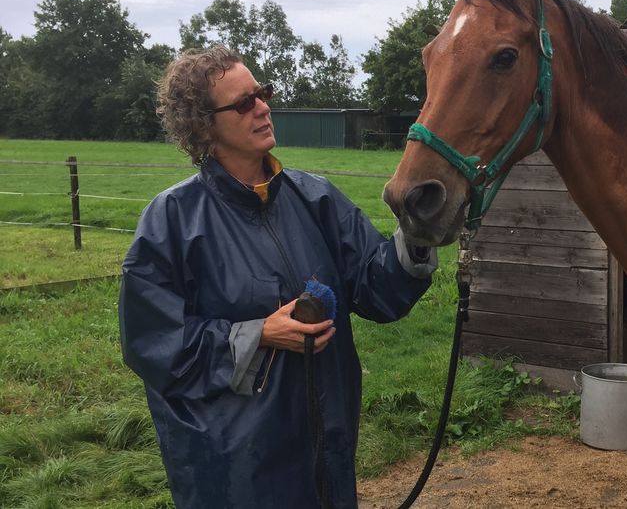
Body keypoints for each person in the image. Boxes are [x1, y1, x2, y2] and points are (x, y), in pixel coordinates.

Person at [118, 45, 437, 508]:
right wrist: (259, 334)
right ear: (204, 124)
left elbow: (377, 289)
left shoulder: (316, 198)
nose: (264, 107)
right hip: (235, 469)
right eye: (244, 102)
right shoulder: (172, 221)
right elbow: (153, 343)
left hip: (324, 450)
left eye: (262, 92)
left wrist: (418, 234)